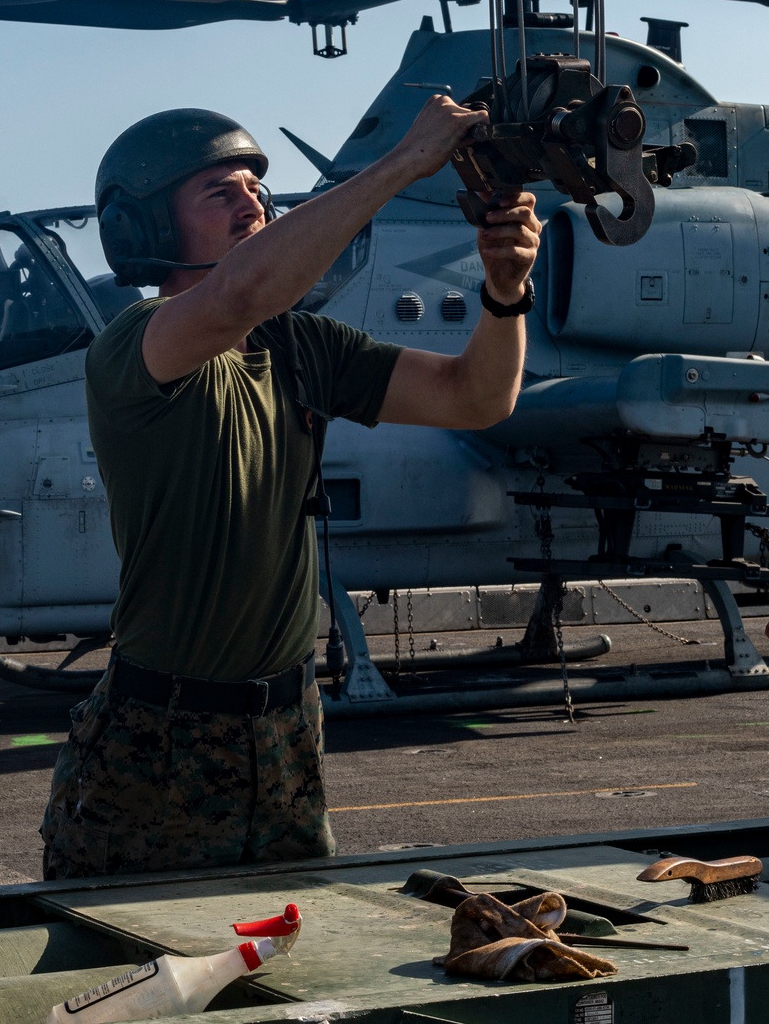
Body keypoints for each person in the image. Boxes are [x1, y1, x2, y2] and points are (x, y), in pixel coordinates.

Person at [41, 96, 542, 879]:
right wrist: (405, 161)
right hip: (159, 739)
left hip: (285, 734)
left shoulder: (299, 345)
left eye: (256, 187)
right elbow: (240, 294)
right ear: (147, 229)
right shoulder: (136, 348)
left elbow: (474, 397)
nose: (254, 202)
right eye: (220, 191)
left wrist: (505, 292)